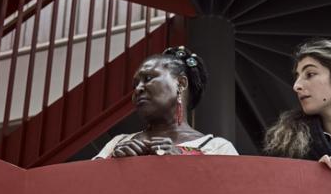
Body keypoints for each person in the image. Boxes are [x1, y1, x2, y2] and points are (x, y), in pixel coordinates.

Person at [94, 46, 238, 158]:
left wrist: (183, 164)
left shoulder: (218, 148)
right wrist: (113, 162)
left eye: (148, 78)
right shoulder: (118, 143)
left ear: (181, 83)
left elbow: (230, 193)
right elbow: (87, 187)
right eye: (135, 85)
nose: (137, 89)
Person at [264, 38, 331, 176]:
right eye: (297, 76)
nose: (296, 86)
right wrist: (312, 175)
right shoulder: (286, 143)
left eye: (310, 74)